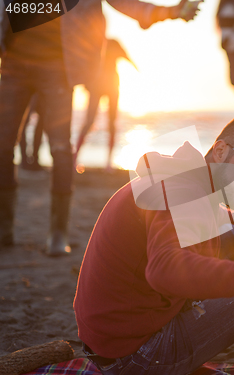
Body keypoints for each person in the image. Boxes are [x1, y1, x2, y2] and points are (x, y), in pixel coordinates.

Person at [73, 113, 234, 375]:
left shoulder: (199, 190)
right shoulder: (178, 190)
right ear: (221, 151)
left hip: (122, 342)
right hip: (133, 355)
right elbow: (163, 269)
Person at [0, 0, 200, 253]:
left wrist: (170, 11)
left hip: (58, 65)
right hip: (13, 60)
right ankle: (3, 229)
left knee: (60, 147)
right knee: (2, 144)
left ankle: (58, 233)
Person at [74, 39, 137, 172]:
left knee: (109, 124)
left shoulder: (109, 43)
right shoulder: (96, 44)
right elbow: (84, 65)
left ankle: (108, 162)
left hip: (110, 86)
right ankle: (76, 159)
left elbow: (128, 58)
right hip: (98, 86)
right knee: (90, 122)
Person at [19, 95, 45, 171]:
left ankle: (32, 159)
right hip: (32, 91)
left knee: (40, 125)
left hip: (41, 92)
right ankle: (26, 160)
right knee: (23, 124)